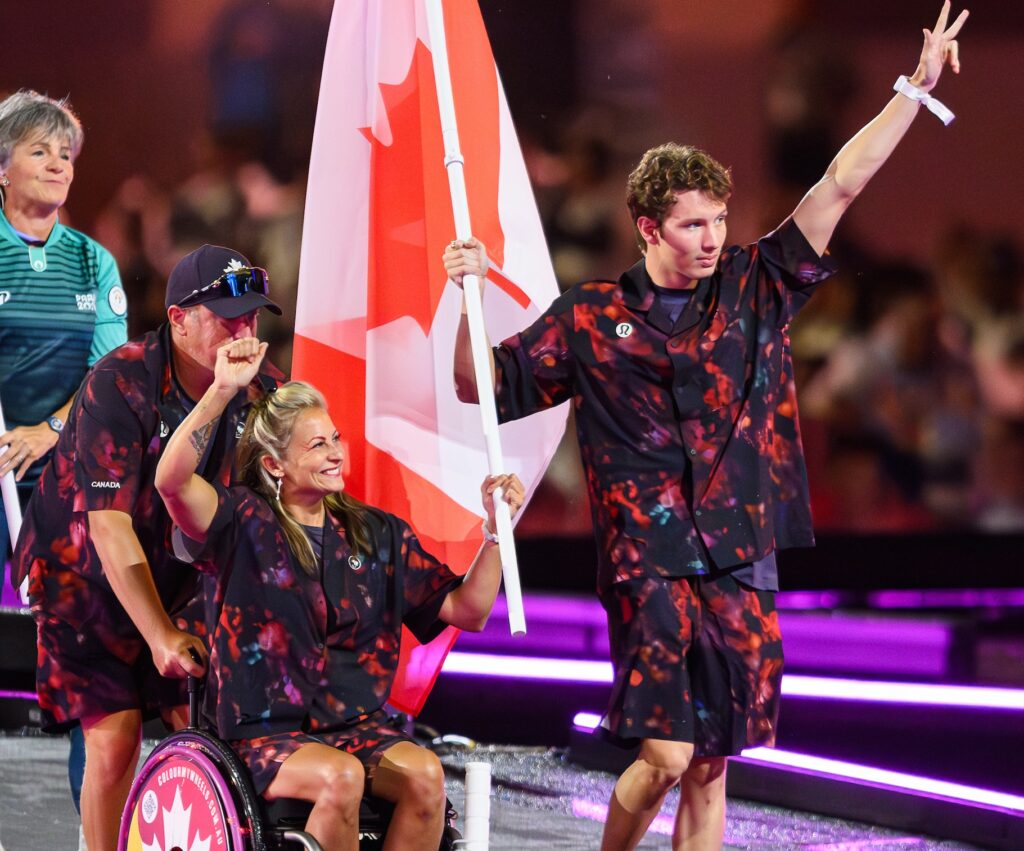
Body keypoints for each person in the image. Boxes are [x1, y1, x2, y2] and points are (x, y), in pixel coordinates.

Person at [442, 4, 968, 849]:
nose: (714, 237)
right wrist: (455, 295)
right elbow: (482, 386)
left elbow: (839, 184)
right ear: (649, 226)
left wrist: (913, 91)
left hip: (739, 555)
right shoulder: (589, 318)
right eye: (693, 223)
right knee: (664, 750)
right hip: (646, 561)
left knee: (712, 762)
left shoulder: (757, 287)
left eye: (720, 219)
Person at [154, 359, 524, 851]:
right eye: (318, 444)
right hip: (263, 735)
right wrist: (222, 390)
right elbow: (172, 483)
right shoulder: (242, 520)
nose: (336, 455)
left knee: (425, 776)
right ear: (273, 465)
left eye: (336, 439)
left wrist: (496, 532)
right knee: (341, 777)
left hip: (356, 727)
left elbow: (469, 610)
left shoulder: (375, 533)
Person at [12, 243, 283, 851]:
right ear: (179, 317)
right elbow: (109, 529)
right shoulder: (119, 381)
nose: (243, 329)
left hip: (177, 573)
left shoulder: (266, 390)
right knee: (116, 736)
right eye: (226, 316)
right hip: (79, 572)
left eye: (252, 316)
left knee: (211, 723)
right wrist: (158, 635)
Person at [0, 88, 129, 820]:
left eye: (66, 154)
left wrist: (48, 430)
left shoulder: (94, 265)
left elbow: (108, 379)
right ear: (2, 168)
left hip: (63, 478)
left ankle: (96, 829)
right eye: (39, 150)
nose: (57, 164)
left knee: (95, 657)